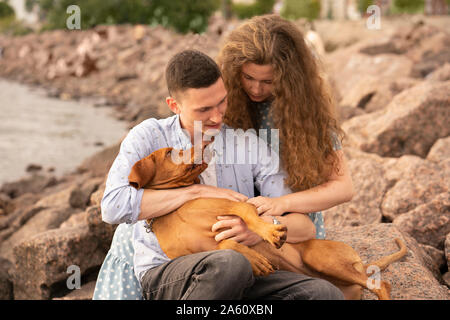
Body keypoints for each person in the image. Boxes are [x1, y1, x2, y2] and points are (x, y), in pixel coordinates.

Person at [93, 49, 345, 300]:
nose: (216, 116)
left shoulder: (247, 144)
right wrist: (194, 191)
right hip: (170, 271)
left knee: (323, 293)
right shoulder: (149, 136)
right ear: (174, 105)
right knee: (229, 264)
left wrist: (260, 228)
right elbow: (112, 206)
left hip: (245, 267)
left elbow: (304, 227)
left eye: (221, 102)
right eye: (203, 109)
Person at [215, 14, 354, 243]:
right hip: (235, 224)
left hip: (292, 229)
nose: (256, 89)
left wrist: (280, 204)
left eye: (268, 82)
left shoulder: (305, 111)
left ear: (288, 78)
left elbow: (343, 187)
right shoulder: (223, 100)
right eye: (248, 77)